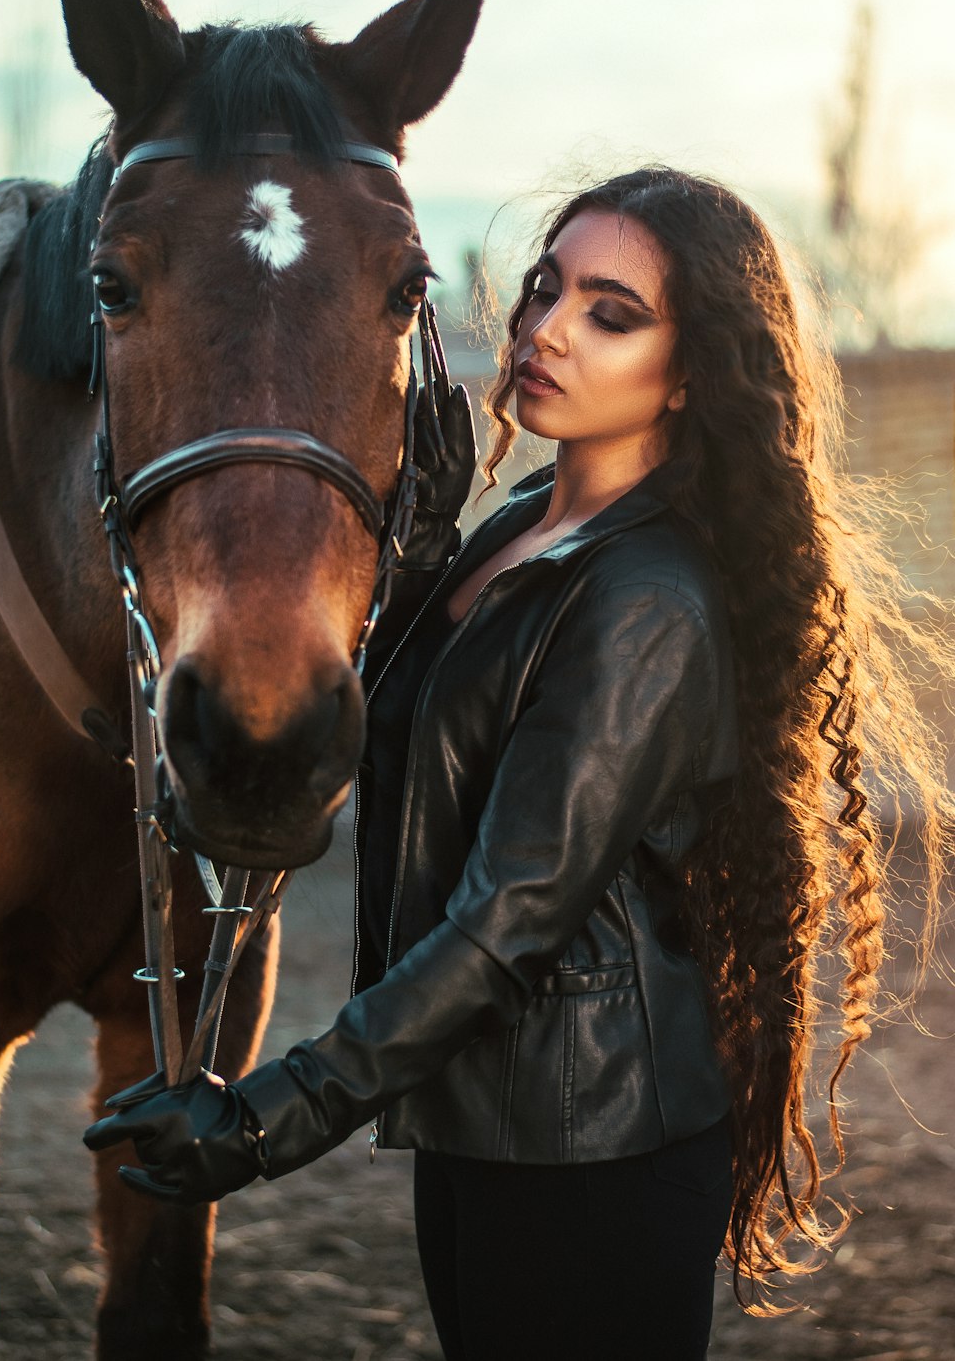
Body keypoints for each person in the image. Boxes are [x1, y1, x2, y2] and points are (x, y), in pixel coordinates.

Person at [85, 167, 954, 1360]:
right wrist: (424, 555)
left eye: (610, 311)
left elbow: (509, 920)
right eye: (547, 286)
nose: (543, 327)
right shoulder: (527, 527)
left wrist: (266, 1115)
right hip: (488, 1119)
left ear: (692, 372)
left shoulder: (648, 598)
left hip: (591, 1154)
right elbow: (414, 739)